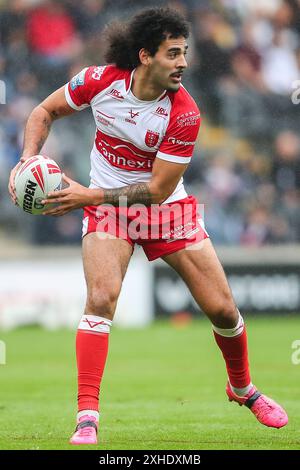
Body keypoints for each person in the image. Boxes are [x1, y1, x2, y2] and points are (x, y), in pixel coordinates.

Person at [8, 7, 288, 446]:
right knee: (101, 298)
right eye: (173, 53)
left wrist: (88, 196)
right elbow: (44, 112)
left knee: (223, 310)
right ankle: (87, 416)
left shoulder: (185, 114)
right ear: (145, 56)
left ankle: (242, 388)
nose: (183, 63)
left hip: (163, 210)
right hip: (107, 208)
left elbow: (157, 191)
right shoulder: (99, 81)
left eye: (185, 53)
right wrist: (28, 159)